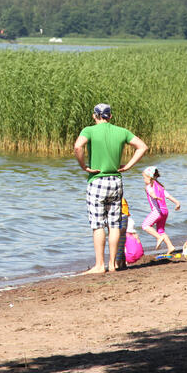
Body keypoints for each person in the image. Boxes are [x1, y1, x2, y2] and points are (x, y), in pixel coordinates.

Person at [74, 103, 149, 274]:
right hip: (116, 180)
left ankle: (100, 265)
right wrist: (128, 166)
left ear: (94, 116)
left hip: (97, 181)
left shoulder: (89, 130)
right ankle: (113, 264)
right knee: (114, 225)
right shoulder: (122, 131)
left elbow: (78, 146)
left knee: (98, 224)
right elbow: (143, 147)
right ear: (111, 116)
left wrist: (83, 166)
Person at [141, 166, 182, 256]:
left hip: (157, 211)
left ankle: (159, 238)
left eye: (144, 177)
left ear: (149, 177)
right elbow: (168, 196)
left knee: (145, 225)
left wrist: (154, 196)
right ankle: (170, 246)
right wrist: (177, 202)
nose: (143, 180)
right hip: (165, 212)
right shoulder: (160, 187)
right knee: (161, 230)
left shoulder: (148, 187)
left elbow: (151, 193)